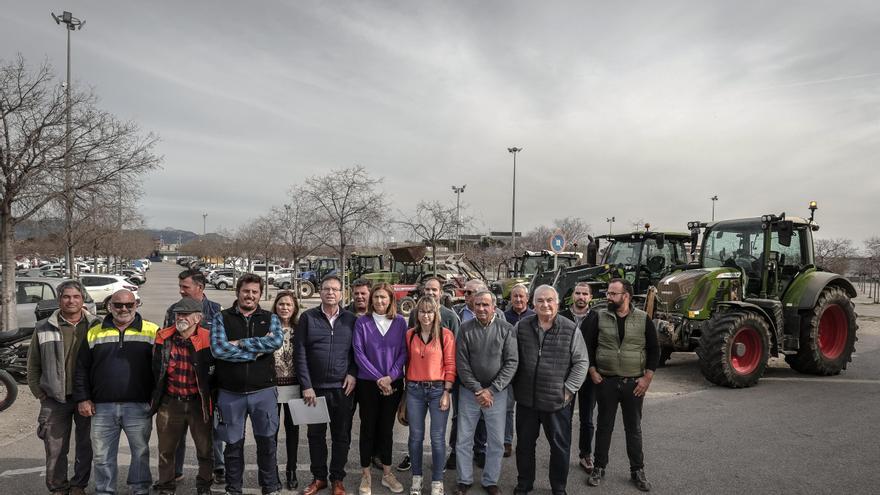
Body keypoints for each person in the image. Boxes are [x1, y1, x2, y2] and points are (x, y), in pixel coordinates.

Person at [73, 289, 159, 495]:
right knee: (102, 456)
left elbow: (162, 369)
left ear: (136, 305)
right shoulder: (95, 331)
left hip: (138, 406)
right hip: (102, 407)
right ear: (110, 306)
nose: (123, 309)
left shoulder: (152, 331)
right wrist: (83, 398)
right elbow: (81, 368)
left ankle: (139, 489)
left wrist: (156, 399)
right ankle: (104, 490)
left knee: (140, 452)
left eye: (129, 305)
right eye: (118, 305)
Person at [210, 274, 284, 495]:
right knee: (233, 447)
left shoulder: (270, 318)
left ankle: (269, 488)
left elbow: (276, 342)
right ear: (238, 292)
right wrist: (256, 353)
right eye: (246, 291)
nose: (250, 295)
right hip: (230, 393)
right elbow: (219, 350)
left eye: (254, 292)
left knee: (267, 444)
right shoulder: (221, 318)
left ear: (260, 294)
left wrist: (242, 343)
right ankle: (234, 489)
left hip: (264, 392)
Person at [512, 285, 589, 495]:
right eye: (540, 301)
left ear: (557, 303)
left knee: (560, 448)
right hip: (527, 401)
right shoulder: (521, 327)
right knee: (525, 447)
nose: (545, 305)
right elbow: (511, 358)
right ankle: (524, 484)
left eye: (549, 300)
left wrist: (568, 389)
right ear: (533, 304)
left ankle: (559, 488)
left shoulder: (570, 329)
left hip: (557, 402)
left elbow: (581, 362)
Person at [585, 279, 659, 492]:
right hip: (606, 381)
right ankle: (599, 467)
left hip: (633, 384)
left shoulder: (643, 318)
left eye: (613, 293)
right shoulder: (599, 317)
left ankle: (638, 470)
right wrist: (593, 371)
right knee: (604, 427)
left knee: (633, 429)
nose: (608, 297)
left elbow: (655, 351)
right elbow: (588, 346)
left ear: (625, 296)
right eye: (608, 293)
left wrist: (647, 379)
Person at [28, 280, 99, 495]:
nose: (71, 301)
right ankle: (58, 487)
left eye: (76, 296)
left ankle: (79, 485)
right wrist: (40, 393)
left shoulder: (96, 325)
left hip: (86, 397)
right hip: (54, 399)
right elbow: (33, 365)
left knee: (85, 446)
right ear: (59, 299)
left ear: (82, 299)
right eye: (66, 296)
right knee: (55, 448)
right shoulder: (43, 327)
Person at [295, 275, 358, 495]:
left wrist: (352, 373)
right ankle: (319, 478)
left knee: (341, 436)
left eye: (335, 289)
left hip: (342, 389)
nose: (330, 292)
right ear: (319, 292)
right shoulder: (307, 318)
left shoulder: (351, 319)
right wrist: (306, 385)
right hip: (314, 390)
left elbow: (356, 352)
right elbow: (300, 353)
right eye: (326, 289)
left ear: (342, 293)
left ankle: (337, 480)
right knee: (315, 436)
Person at [162, 269, 225, 484]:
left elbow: (223, 347)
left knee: (211, 433)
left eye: (185, 287)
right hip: (178, 385)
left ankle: (218, 469)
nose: (181, 291)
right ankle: (175, 472)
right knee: (175, 435)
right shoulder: (173, 310)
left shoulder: (216, 311)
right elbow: (165, 344)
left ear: (200, 287)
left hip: (206, 387)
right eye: (180, 287)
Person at [454, 291, 519, 495]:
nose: (481, 308)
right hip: (469, 392)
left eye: (485, 305)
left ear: (494, 307)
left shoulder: (506, 329)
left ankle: (490, 480)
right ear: (472, 306)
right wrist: (477, 389)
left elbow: (511, 362)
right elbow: (461, 363)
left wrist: (491, 390)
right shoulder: (465, 329)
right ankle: (464, 479)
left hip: (496, 394)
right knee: (464, 438)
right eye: (478, 304)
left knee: (497, 440)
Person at [152, 297, 215, 495]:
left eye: (185, 314)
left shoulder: (208, 337)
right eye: (179, 314)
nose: (181, 318)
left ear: (198, 317)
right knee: (166, 450)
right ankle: (166, 485)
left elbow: (216, 373)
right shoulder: (163, 337)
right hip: (171, 402)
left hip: (199, 403)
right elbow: (156, 370)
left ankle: (204, 486)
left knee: (205, 450)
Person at [399, 276, 460, 472]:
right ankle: (413, 461)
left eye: (434, 290)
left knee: (437, 434)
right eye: (427, 290)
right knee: (415, 433)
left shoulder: (450, 318)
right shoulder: (413, 323)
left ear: (441, 293)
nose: (431, 293)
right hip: (416, 385)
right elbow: (408, 354)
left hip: (440, 384)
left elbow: (452, 356)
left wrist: (448, 389)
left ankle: (439, 468)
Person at [353, 283, 408, 495]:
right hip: (368, 384)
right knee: (367, 429)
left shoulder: (400, 322)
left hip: (393, 383)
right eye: (375, 297)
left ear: (391, 299)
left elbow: (403, 352)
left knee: (386, 430)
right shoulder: (362, 323)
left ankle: (387, 473)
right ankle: (365, 474)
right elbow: (359, 353)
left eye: (383, 298)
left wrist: (391, 377)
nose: (379, 301)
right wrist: (379, 378)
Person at [405, 296, 456, 495]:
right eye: (422, 311)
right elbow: (406, 362)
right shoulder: (409, 335)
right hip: (415, 390)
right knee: (415, 437)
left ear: (436, 314)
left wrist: (447, 392)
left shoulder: (446, 335)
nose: (426, 315)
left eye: (430, 311)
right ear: (417, 314)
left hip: (438, 390)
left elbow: (451, 365)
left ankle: (437, 481)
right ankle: (416, 478)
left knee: (437, 438)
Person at [559, 282, 599, 473]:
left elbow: (599, 347)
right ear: (572, 295)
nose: (581, 297)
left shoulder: (596, 318)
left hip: (589, 377)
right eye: (578, 293)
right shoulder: (562, 316)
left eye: (585, 294)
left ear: (590, 297)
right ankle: (562, 453)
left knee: (587, 418)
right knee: (564, 417)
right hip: (565, 375)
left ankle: (585, 455)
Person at [273, 290, 302, 491]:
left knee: (293, 433)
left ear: (294, 308)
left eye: (288, 305)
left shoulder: (300, 329)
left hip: (295, 388)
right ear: (276, 306)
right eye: (281, 304)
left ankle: (291, 469)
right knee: (271, 432)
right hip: (271, 389)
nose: (284, 308)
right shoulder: (268, 328)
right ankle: (271, 470)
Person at [501, 283, 534, 457]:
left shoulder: (535, 317)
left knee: (527, 411)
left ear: (527, 298)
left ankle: (525, 442)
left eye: (522, 296)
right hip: (509, 371)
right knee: (507, 408)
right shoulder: (504, 317)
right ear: (511, 298)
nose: (519, 299)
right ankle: (507, 441)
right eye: (515, 296)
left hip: (527, 371)